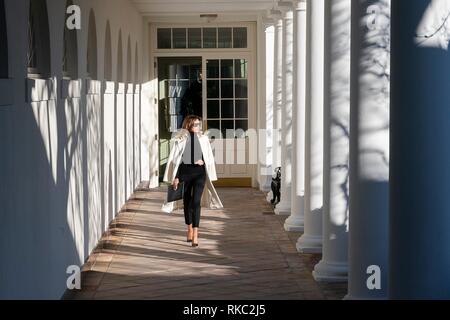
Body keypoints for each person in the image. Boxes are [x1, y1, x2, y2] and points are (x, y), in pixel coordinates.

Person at [161, 115, 223, 247]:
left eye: (199, 124)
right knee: (187, 203)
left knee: (196, 202)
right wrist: (176, 177)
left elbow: (208, 156)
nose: (198, 127)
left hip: (199, 174)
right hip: (185, 174)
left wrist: (203, 161)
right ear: (188, 125)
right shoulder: (181, 139)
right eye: (195, 124)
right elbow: (175, 160)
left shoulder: (204, 139)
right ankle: (189, 228)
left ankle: (195, 233)